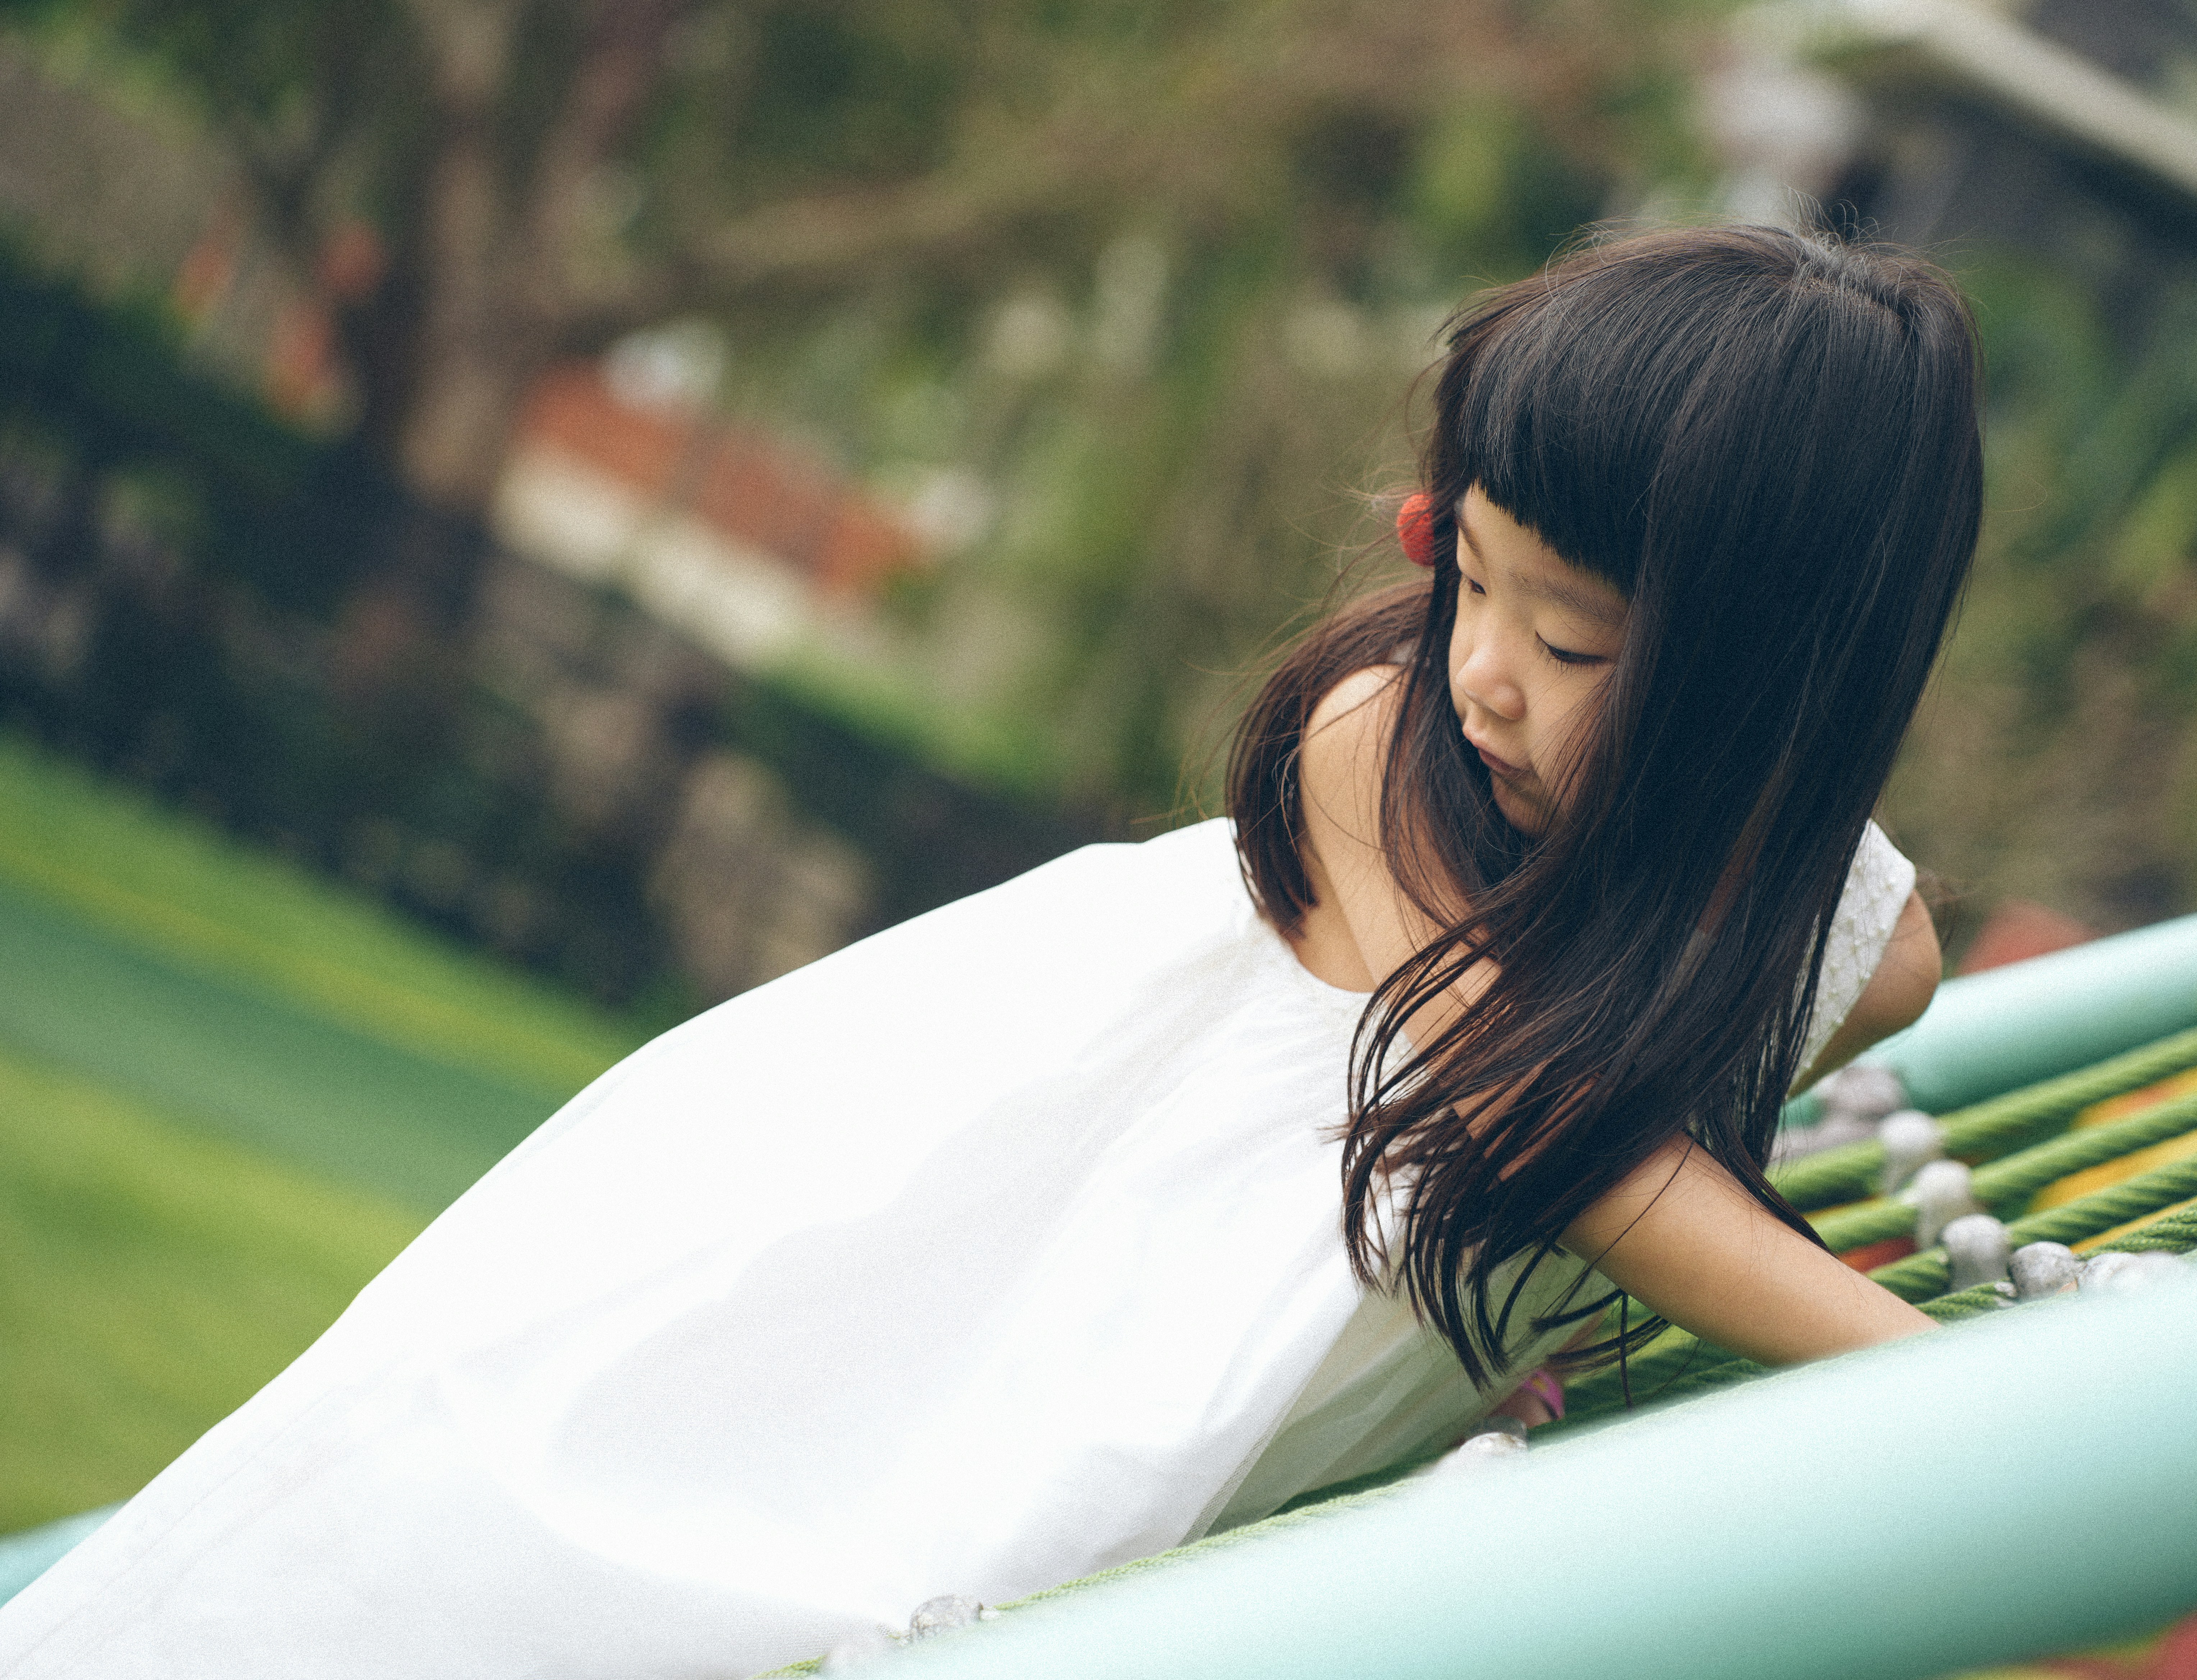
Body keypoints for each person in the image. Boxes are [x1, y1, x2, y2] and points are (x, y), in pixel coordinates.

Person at [0, 223, 1979, 1678]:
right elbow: (1587, 1159)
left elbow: (1887, 967)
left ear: (1756, 698)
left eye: (1569, 644)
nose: (1480, 673)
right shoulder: (1383, 755)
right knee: (525, 1524)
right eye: (1465, 575)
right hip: (942, 1250)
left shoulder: (1783, 914)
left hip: (1084, 1371)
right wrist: (1947, 1387)